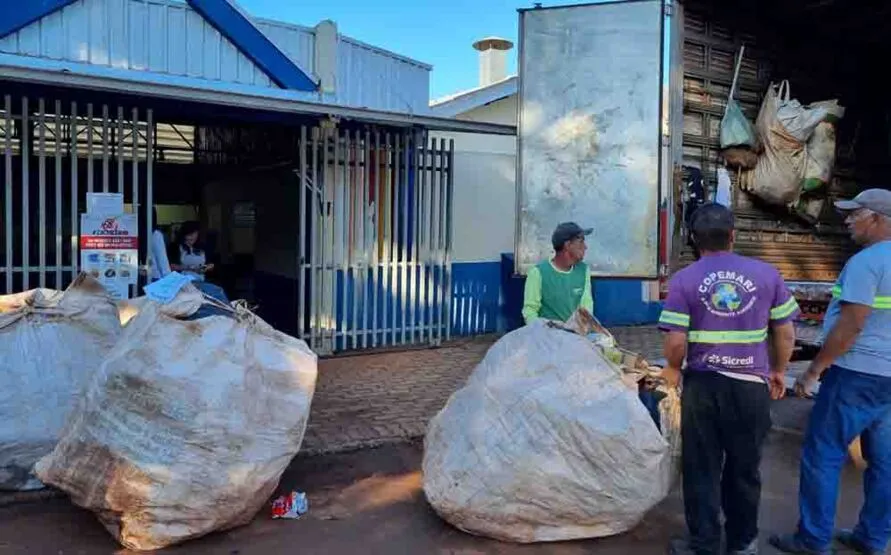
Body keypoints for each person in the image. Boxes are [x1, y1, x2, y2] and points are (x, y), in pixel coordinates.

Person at [659, 203, 798, 555]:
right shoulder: (768, 274)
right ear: (733, 235)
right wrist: (779, 371)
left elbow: (675, 341)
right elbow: (786, 333)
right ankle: (742, 543)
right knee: (744, 469)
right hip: (752, 388)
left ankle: (703, 544)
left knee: (701, 467)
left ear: (693, 239)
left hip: (703, 388)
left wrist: (673, 369)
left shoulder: (684, 280)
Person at [770, 189, 891, 555]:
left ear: (879, 219)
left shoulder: (866, 263)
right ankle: (872, 538)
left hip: (856, 373)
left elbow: (852, 324)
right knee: (885, 461)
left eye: (856, 214)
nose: (849, 220)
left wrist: (814, 371)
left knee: (823, 453)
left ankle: (813, 539)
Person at [522, 222, 594, 324]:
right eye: (581, 241)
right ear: (568, 245)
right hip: (547, 335)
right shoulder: (538, 272)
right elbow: (530, 311)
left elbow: (586, 307)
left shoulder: (583, 270)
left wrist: (581, 329)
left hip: (575, 335)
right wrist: (544, 333)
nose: (585, 247)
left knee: (607, 339)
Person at [147, 207, 171, 282]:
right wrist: (169, 280)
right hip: (155, 276)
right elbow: (162, 260)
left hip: (141, 276)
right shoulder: (155, 235)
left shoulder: (134, 233)